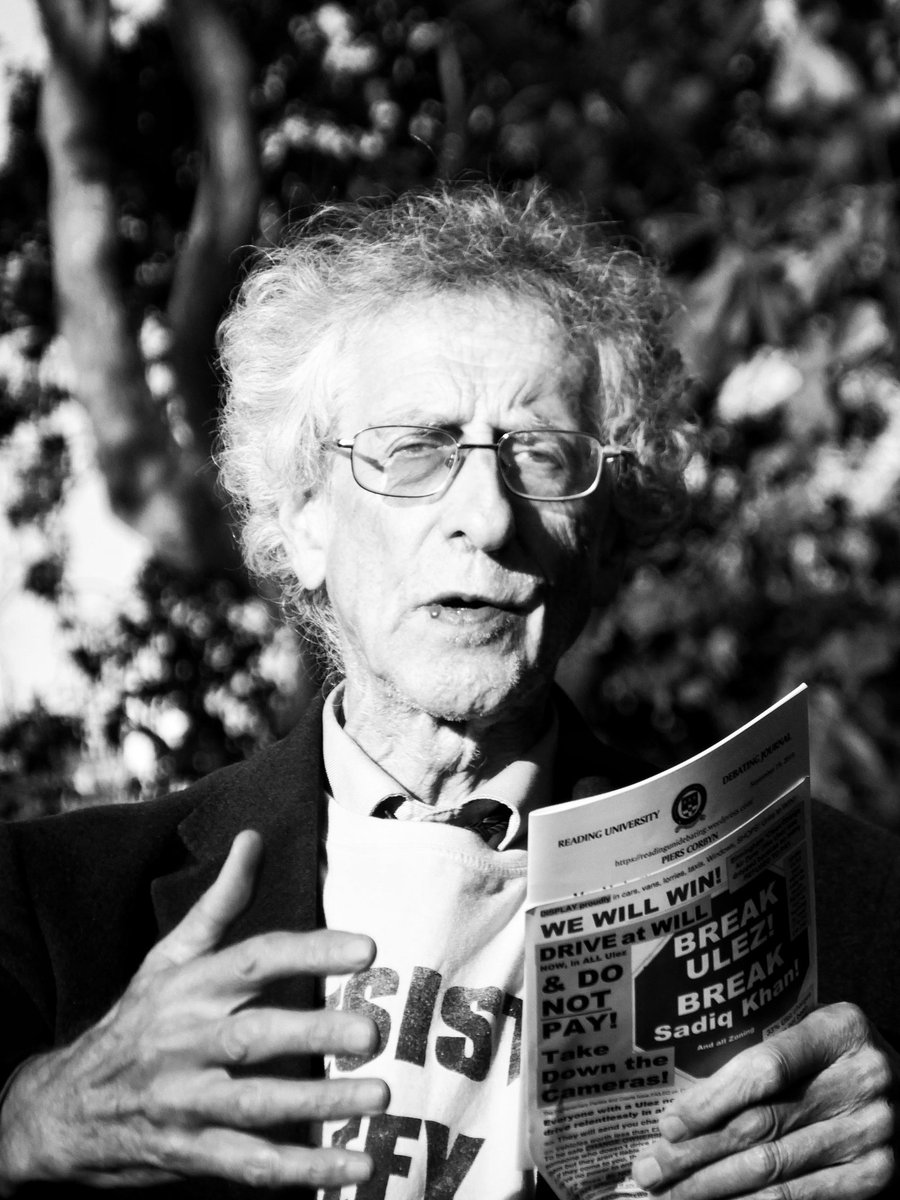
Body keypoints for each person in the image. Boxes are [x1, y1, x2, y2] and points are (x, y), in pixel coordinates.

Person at [0, 184, 897, 1200]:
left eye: (540, 455)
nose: (486, 512)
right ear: (302, 519)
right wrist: (36, 1119)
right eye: (418, 449)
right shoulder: (54, 904)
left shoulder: (839, 902)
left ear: (605, 533)